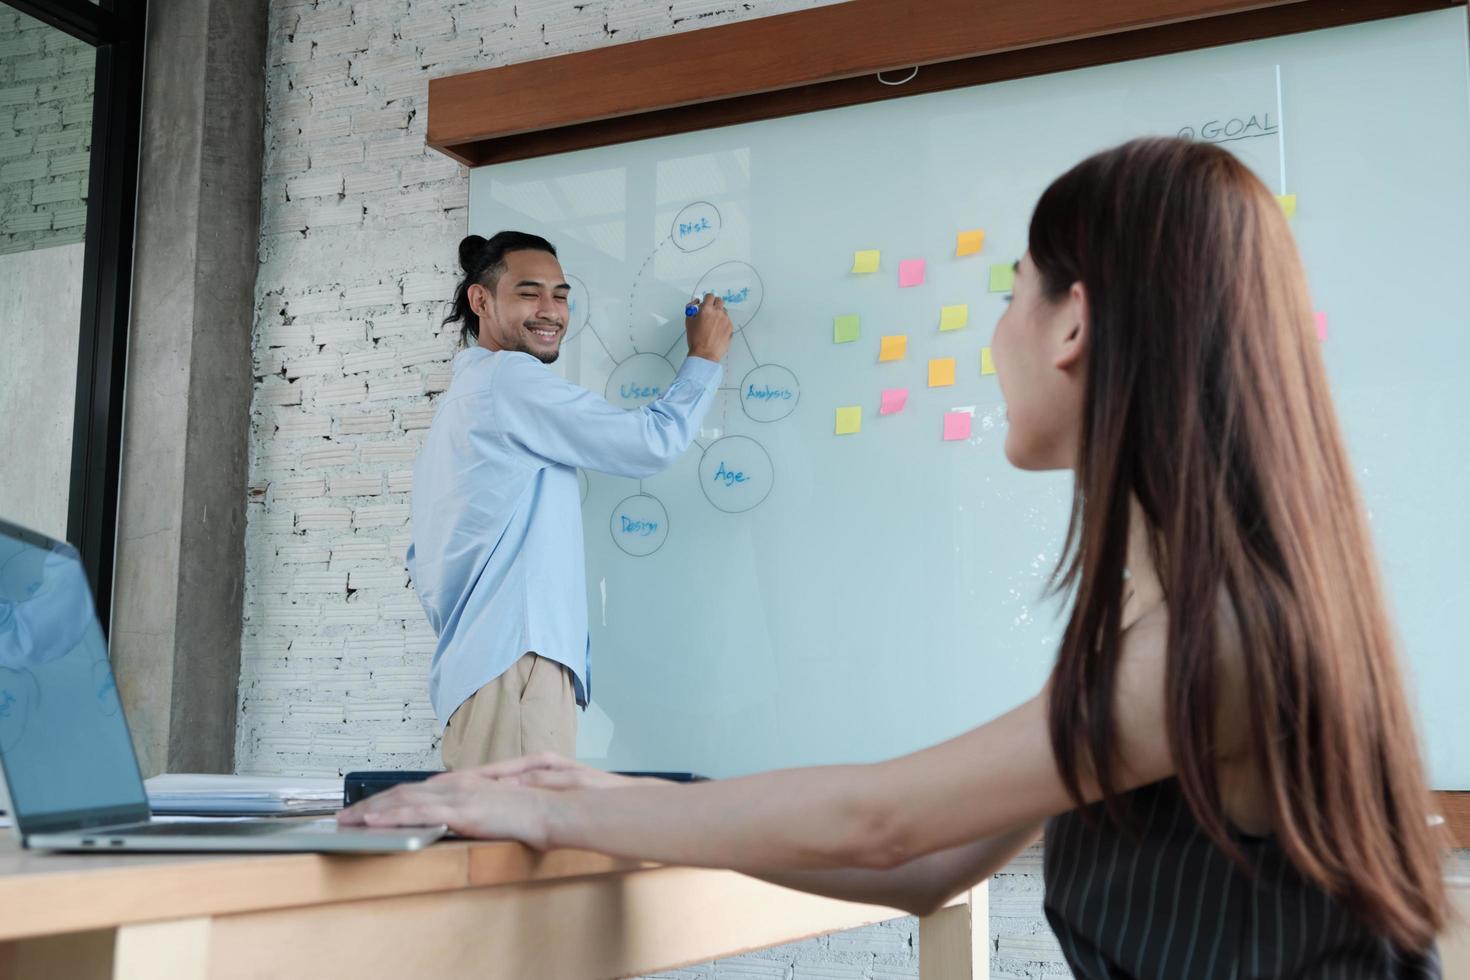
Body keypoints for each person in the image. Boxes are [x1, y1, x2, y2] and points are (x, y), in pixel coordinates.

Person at [346, 140, 1446, 976]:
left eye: (1012, 291)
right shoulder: (1168, 622)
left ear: (1075, 325)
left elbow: (888, 822)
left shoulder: (1218, 642)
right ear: (482, 304)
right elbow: (921, 862)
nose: (993, 334)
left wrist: (575, 802)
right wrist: (595, 792)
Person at [411, 231, 732, 769]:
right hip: (517, 663)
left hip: (488, 664)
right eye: (528, 292)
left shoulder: (463, 399)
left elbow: (422, 561)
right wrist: (704, 356)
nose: (551, 310)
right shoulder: (511, 381)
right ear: (481, 301)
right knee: (519, 845)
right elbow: (649, 444)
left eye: (560, 295)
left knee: (499, 842)